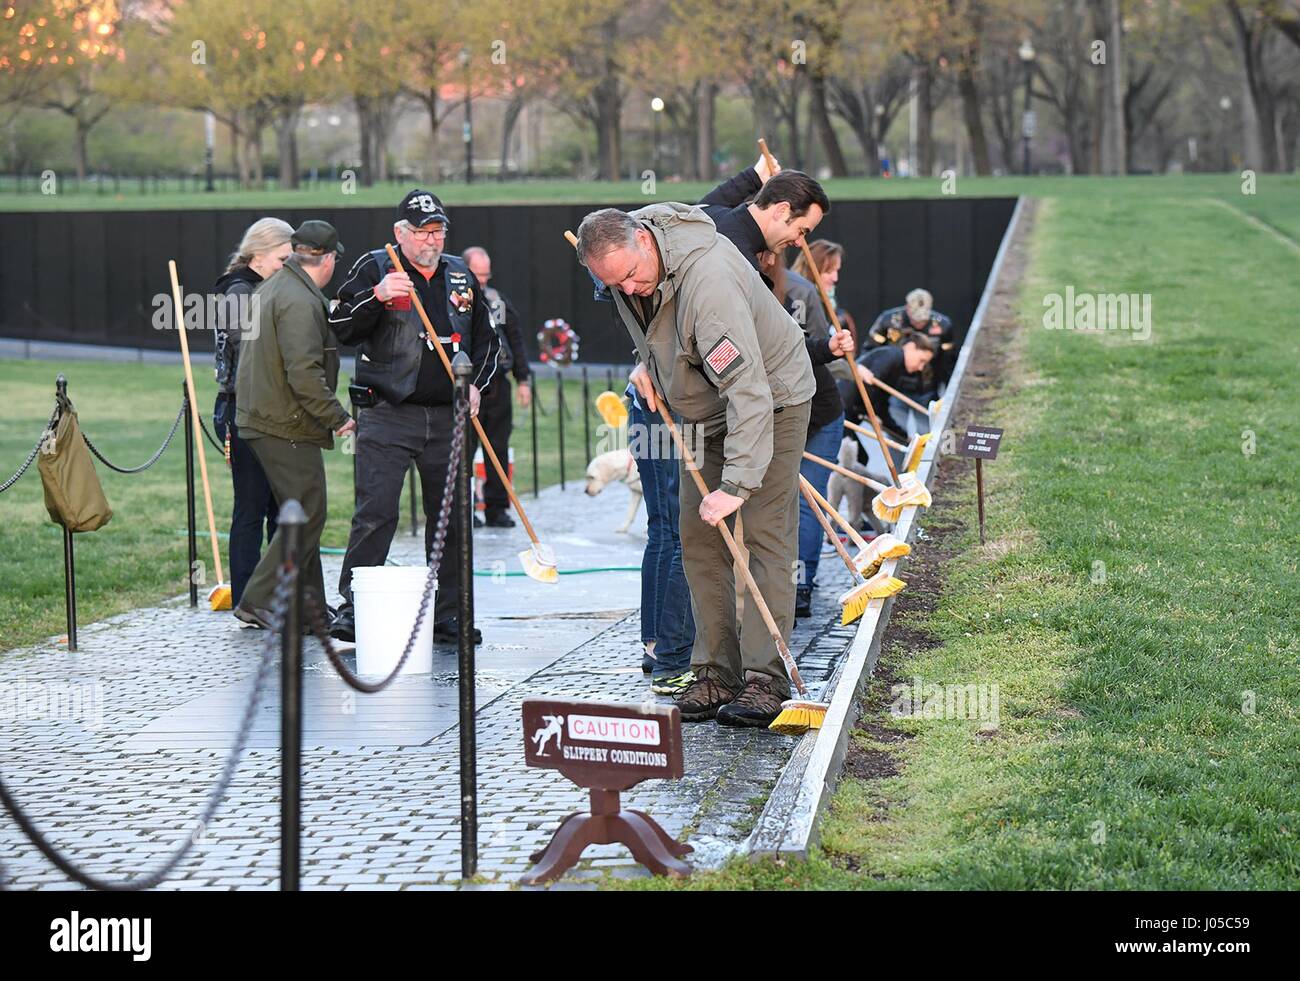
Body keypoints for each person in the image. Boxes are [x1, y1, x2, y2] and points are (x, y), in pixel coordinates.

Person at [576, 204, 815, 728]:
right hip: (698, 409)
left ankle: (763, 679)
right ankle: (715, 671)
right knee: (698, 536)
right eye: (615, 284)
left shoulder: (710, 285)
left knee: (761, 536)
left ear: (645, 242)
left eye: (634, 276)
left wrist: (737, 484)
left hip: (770, 400)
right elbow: (656, 319)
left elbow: (747, 390)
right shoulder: (627, 262)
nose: (630, 289)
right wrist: (649, 361)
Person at [327, 189, 499, 646]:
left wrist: (476, 385)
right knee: (375, 513)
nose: (432, 239)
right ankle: (353, 607)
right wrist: (377, 298)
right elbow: (340, 327)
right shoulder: (375, 267)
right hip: (387, 413)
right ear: (400, 233)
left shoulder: (461, 274)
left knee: (450, 518)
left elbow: (487, 341)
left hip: (449, 417)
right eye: (423, 231)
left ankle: (450, 614)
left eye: (438, 230)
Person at [232, 220, 355, 628]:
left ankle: (309, 608)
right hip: (282, 421)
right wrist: (338, 417)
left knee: (305, 512)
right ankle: (257, 598)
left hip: (267, 418)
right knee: (306, 513)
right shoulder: (299, 300)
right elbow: (304, 373)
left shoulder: (276, 285)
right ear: (329, 259)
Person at [212, 217, 294, 608]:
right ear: (259, 254)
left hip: (270, 411)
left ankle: (278, 591)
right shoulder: (237, 290)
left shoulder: (265, 286)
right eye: (283, 258)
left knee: (279, 505)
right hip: (242, 410)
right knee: (251, 505)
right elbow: (248, 351)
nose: (287, 266)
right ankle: (247, 596)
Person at [784, 240, 850, 619]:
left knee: (809, 503)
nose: (836, 278)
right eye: (831, 270)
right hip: (784, 415)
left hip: (819, 413)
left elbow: (814, 350)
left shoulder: (804, 298)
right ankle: (786, 581)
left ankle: (801, 587)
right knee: (785, 502)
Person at [462, 246, 531, 529]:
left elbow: (515, 337)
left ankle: (497, 508)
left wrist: (523, 379)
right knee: (464, 450)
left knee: (498, 448)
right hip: (466, 386)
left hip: (498, 384)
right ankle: (464, 510)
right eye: (476, 276)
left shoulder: (497, 300)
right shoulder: (454, 300)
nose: (482, 282)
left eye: (486, 276)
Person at [864, 288, 960, 408]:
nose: (919, 323)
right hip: (893, 388)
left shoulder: (943, 326)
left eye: (923, 319)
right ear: (907, 308)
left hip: (928, 390)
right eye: (916, 319)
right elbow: (870, 352)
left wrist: (950, 393)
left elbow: (950, 362)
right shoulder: (888, 321)